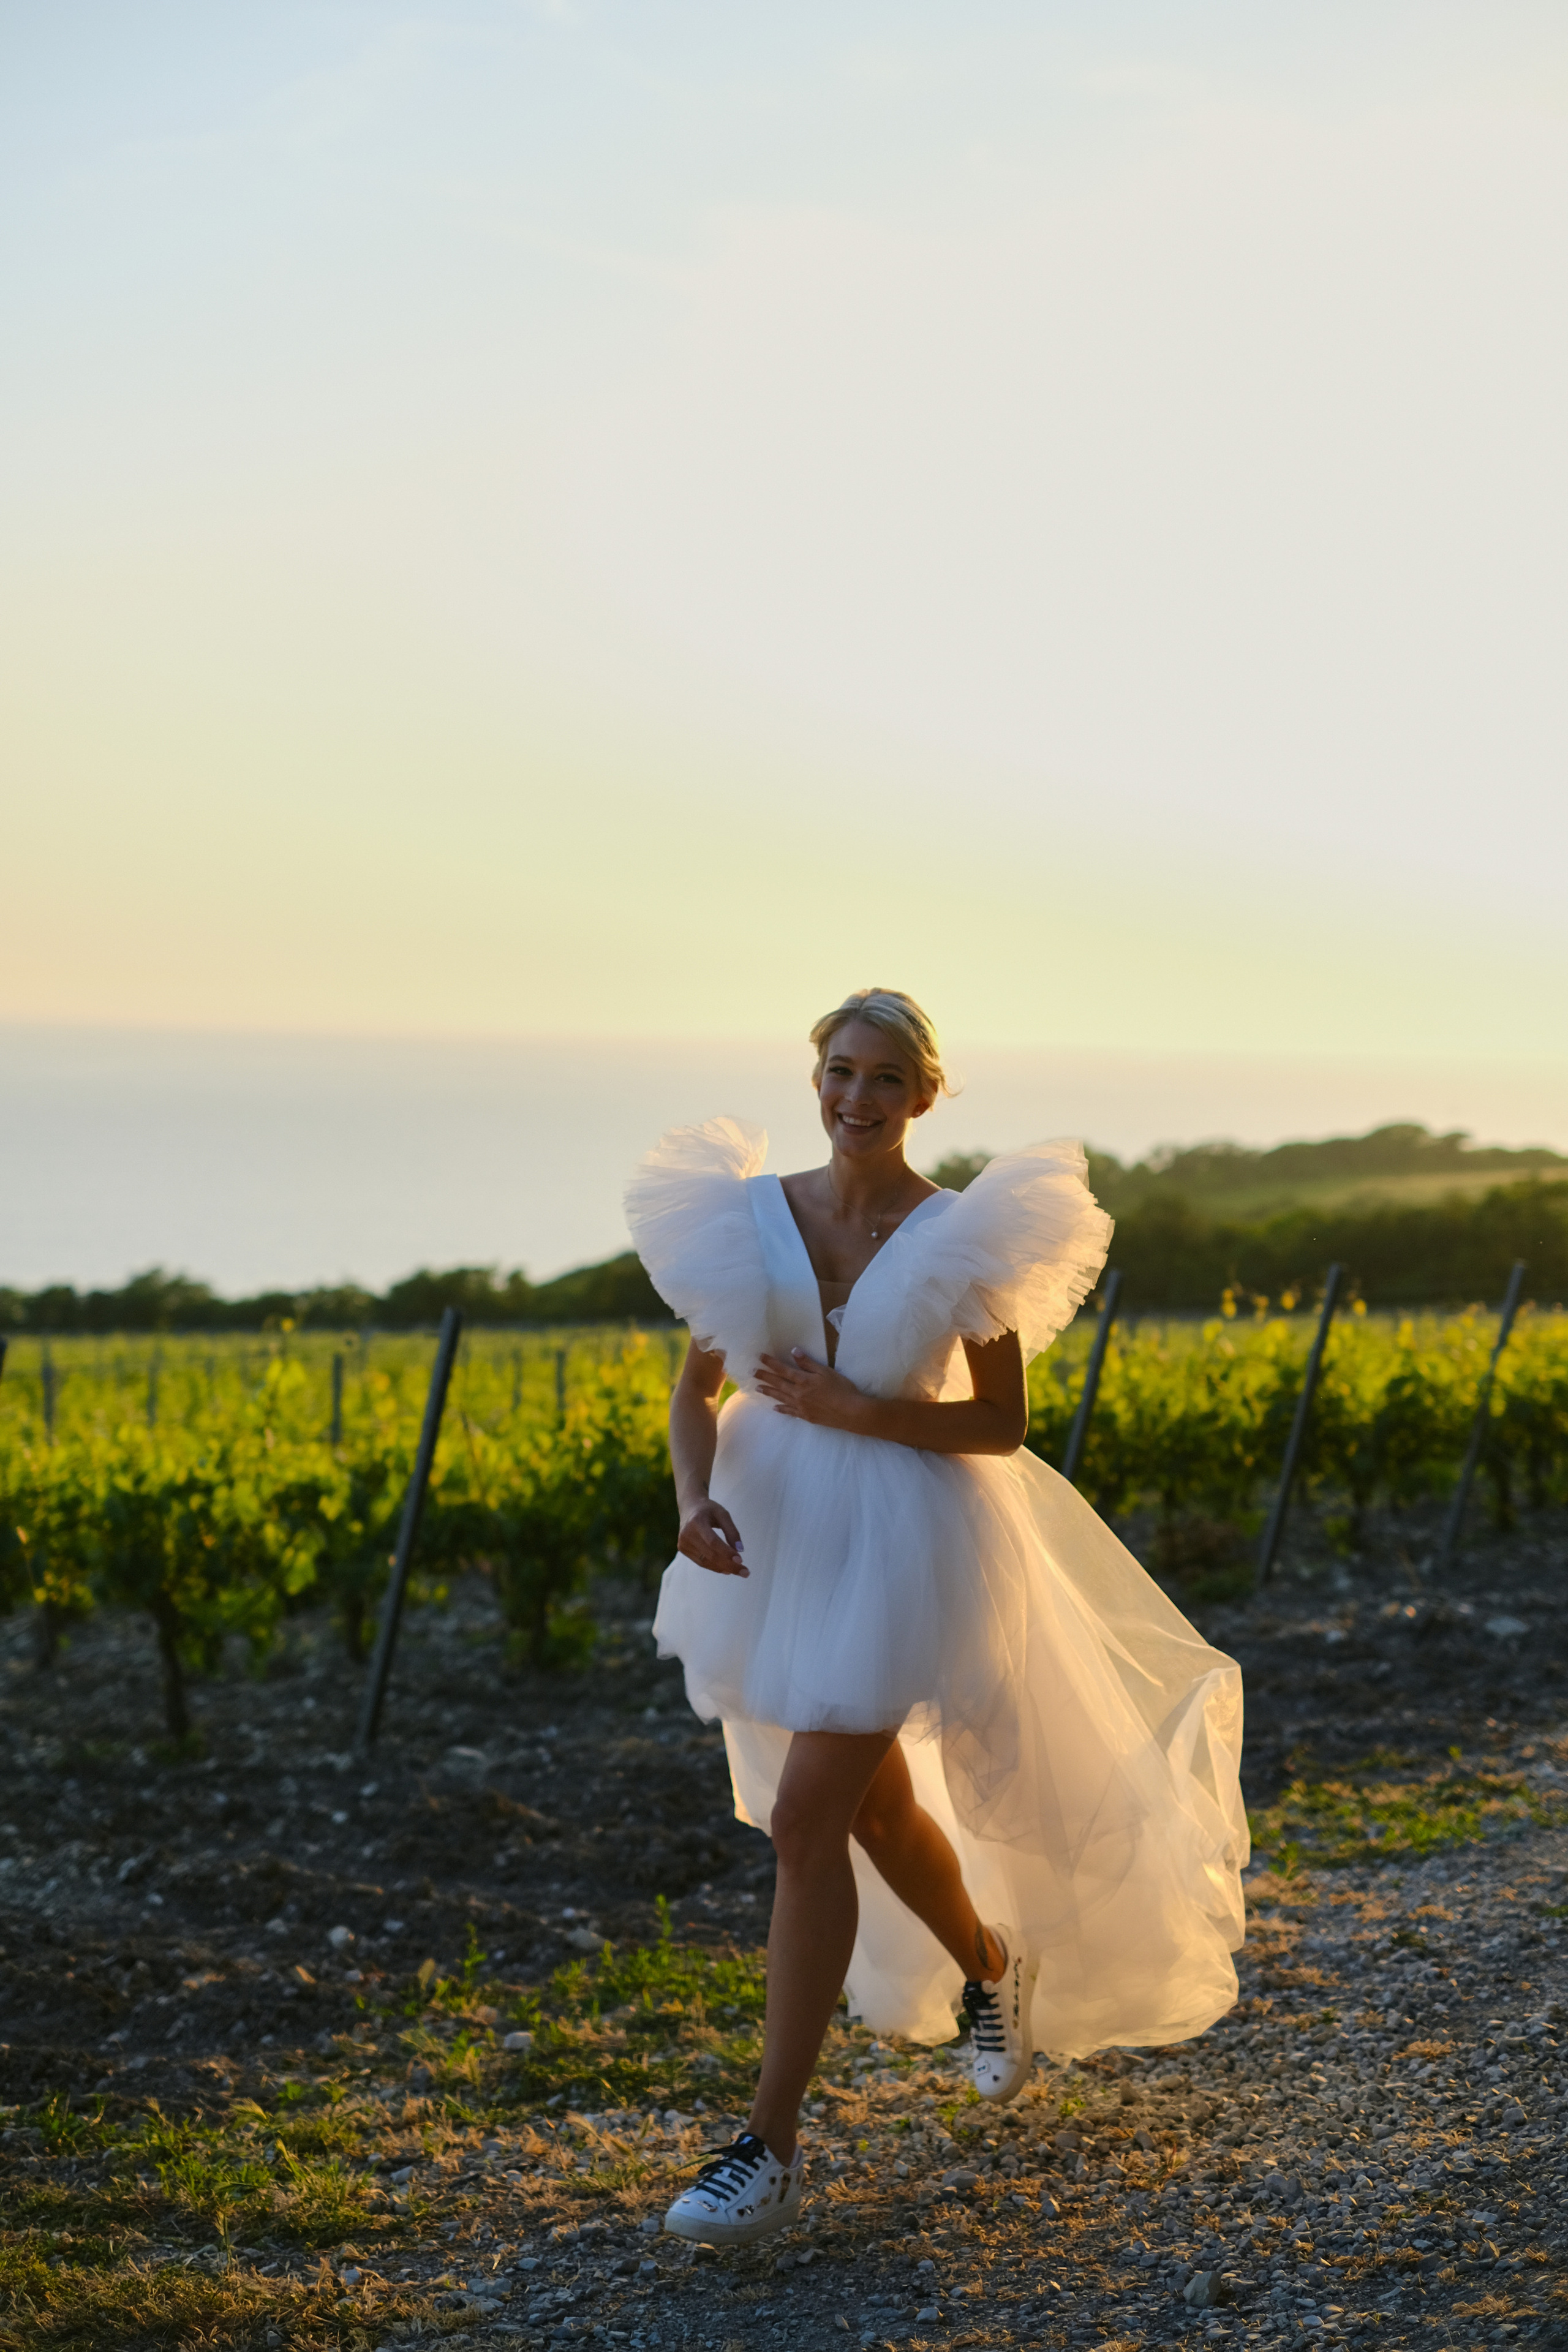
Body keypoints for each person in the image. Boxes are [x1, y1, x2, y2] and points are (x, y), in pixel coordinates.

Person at [624, 988, 1246, 2246]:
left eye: (884, 1079)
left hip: (909, 1533)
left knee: (805, 1815)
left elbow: (998, 1425)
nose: (856, 1099)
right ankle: (989, 1968)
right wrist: (692, 1504)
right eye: (839, 1072)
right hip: (776, 1530)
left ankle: (769, 2149)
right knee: (868, 1807)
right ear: (817, 1078)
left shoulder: (968, 1232)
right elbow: (695, 1391)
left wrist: (863, 1415)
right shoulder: (746, 1216)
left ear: (923, 1096)